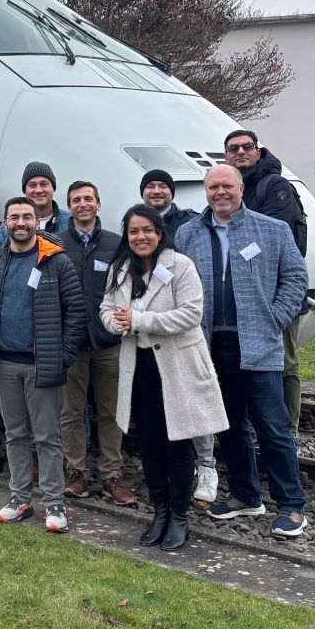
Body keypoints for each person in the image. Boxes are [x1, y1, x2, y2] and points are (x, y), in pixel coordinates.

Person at [175, 165, 310, 537]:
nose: (220, 192)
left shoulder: (273, 229)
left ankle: (292, 505)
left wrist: (274, 318)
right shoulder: (188, 234)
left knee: (273, 426)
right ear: (205, 192)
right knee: (229, 424)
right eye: (213, 186)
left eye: (226, 186)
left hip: (259, 344)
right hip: (210, 345)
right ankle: (246, 496)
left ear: (240, 187)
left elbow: (296, 278)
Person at [101, 204, 228, 551]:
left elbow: (191, 313)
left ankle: (180, 516)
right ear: (127, 236)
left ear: (159, 233)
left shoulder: (180, 265)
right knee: (151, 444)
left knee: (178, 443)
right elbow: (107, 309)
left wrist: (140, 321)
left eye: (147, 230)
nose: (140, 237)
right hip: (139, 367)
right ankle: (159, 511)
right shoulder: (120, 269)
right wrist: (116, 323)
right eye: (133, 231)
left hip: (176, 367)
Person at [0, 196, 84, 533]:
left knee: (48, 437)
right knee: (15, 435)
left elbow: (75, 313)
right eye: (13, 217)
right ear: (5, 223)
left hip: (41, 365)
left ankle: (54, 504)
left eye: (26, 217)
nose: (20, 223)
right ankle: (20, 499)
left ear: (38, 222)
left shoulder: (56, 261)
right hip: (3, 365)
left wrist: (62, 357)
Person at [139, 167, 216, 503]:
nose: (156, 191)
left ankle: (207, 466)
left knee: (194, 399)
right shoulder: (136, 223)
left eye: (162, 185)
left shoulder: (190, 225)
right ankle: (168, 474)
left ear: (172, 191)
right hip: (152, 334)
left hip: (183, 329)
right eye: (150, 186)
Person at [224, 129, 308, 438]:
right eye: (234, 148)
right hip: (245, 295)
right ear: (226, 156)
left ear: (259, 152)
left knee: (283, 362)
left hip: (277, 295)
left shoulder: (275, 187)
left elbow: (272, 238)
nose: (241, 152)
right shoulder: (233, 189)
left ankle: (289, 433)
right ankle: (258, 430)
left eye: (248, 146)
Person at [57, 181, 133, 506]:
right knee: (70, 412)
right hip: (71, 345)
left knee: (112, 412)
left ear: (98, 205)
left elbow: (128, 290)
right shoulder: (56, 244)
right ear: (69, 206)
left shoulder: (116, 245)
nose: (83, 204)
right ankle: (77, 474)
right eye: (76, 200)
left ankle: (111, 476)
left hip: (108, 343)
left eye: (88, 199)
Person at [0, 161, 71, 248]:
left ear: (53, 188)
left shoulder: (70, 221)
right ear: (25, 191)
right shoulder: (6, 228)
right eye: (32, 185)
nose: (38, 190)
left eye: (44, 184)